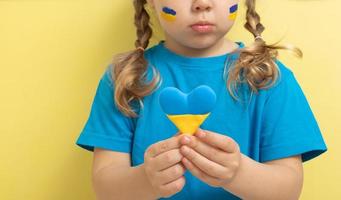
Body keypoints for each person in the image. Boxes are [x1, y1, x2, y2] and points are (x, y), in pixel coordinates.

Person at [75, 0, 328, 199]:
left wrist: (237, 172)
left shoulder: (270, 78)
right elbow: (106, 189)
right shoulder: (125, 79)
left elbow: (288, 190)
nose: (202, 3)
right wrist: (147, 179)